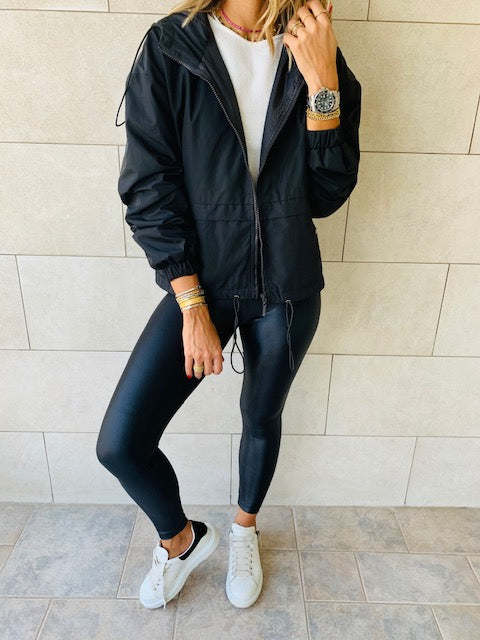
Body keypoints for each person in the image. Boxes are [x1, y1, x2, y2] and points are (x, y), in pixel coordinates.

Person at [96, 0, 361, 610]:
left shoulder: (309, 41)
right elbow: (149, 185)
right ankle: (180, 540)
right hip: (204, 283)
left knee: (261, 417)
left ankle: (245, 530)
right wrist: (191, 303)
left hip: (288, 282)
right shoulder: (172, 45)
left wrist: (323, 81)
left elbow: (327, 193)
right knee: (121, 442)